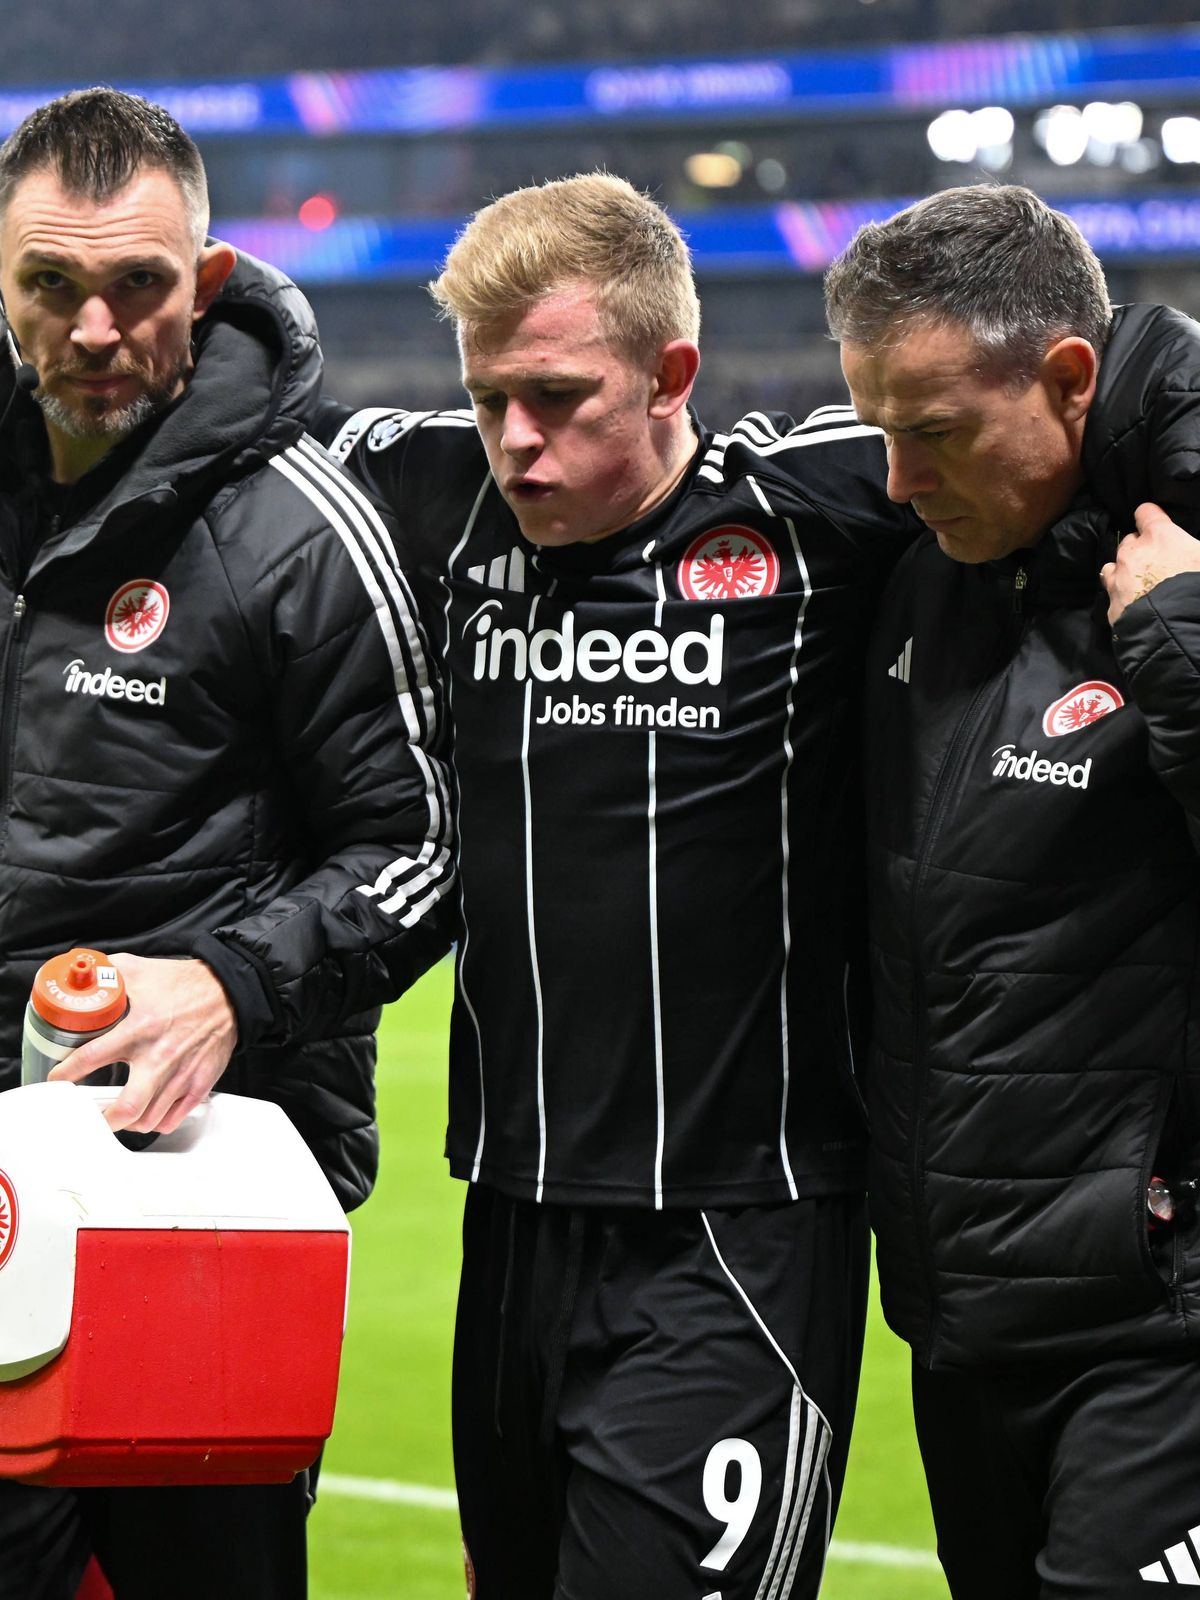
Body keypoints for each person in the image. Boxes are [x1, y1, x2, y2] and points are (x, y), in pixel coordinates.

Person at [317, 171, 918, 1600]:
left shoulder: (818, 507)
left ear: (671, 375)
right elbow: (236, 434)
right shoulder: (431, 492)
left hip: (741, 1226)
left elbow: (1061, 407)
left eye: (559, 398)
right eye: (488, 399)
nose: (515, 442)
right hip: (513, 1217)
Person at [0, 89, 455, 1600]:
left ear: (204, 281)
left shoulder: (301, 529)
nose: (95, 328)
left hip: (188, 1210)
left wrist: (229, 986)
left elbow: (425, 846)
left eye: (138, 284)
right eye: (50, 284)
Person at [824, 183, 1200, 1599]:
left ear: (1070, 378)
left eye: (934, 431)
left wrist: (1183, 652)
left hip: (1160, 1328)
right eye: (878, 430)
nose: (897, 480)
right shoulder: (927, 578)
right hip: (964, 1325)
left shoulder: (1178, 587)